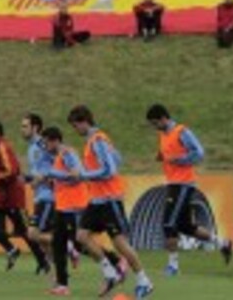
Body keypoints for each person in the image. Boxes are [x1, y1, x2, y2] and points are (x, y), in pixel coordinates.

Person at [68, 105, 153, 299]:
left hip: (109, 199)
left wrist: (83, 175)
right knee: (81, 236)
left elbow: (110, 170)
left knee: (120, 244)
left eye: (75, 125)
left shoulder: (98, 140)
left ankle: (144, 281)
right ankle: (110, 273)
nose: (75, 130)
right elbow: (118, 159)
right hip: (97, 200)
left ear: (84, 122)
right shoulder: (95, 141)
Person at [146, 104, 233, 276]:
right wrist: (162, 156)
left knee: (168, 223)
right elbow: (169, 153)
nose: (155, 127)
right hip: (173, 182)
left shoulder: (181, 131)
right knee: (186, 226)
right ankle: (222, 243)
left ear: (164, 118)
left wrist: (178, 160)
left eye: (156, 123)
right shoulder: (163, 134)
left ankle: (173, 266)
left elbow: (199, 153)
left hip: (183, 183)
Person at [0, 120, 49, 273]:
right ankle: (11, 249)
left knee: (24, 230)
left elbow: (11, 171)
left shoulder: (2, 147)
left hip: (12, 196)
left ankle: (43, 260)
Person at [38, 126, 90, 296]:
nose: (45, 146)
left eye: (46, 142)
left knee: (79, 242)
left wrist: (53, 173)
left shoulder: (67, 153)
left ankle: (114, 260)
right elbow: (62, 178)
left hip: (74, 206)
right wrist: (50, 181)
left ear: (55, 141)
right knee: (57, 244)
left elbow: (77, 175)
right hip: (62, 206)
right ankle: (62, 285)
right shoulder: (59, 156)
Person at [21, 113, 57, 273]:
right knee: (43, 241)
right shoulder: (32, 147)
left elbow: (58, 163)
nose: (22, 129)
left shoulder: (43, 144)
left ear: (35, 128)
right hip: (39, 196)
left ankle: (68, 244)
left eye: (25, 126)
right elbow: (38, 171)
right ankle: (57, 274)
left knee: (33, 234)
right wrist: (27, 178)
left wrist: (44, 179)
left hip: (48, 197)